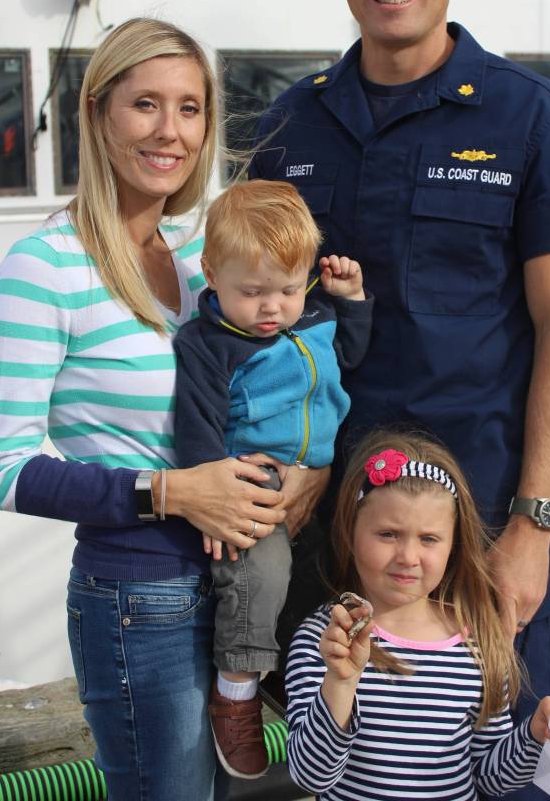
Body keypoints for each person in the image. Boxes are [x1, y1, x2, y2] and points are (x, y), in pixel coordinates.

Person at [250, 0, 550, 798]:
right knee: (352, 772)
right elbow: (258, 328)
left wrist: (535, 522)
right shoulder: (291, 129)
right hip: (339, 536)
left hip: (491, 522)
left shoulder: (530, 118)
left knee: (527, 762)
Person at [0, 18, 291, 801]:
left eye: (189, 108)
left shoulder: (203, 252)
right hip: (141, 599)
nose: (169, 131)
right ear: (98, 112)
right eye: (145, 104)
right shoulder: (44, 266)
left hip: (241, 587)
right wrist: (170, 492)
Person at [173, 179, 373, 779]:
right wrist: (211, 500)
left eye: (287, 289)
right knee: (259, 573)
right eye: (252, 292)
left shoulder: (314, 312)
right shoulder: (208, 345)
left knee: (341, 571)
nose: (271, 309)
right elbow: (198, 426)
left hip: (321, 477)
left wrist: (354, 298)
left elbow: (353, 358)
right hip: (250, 483)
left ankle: (307, 682)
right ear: (211, 272)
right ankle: (235, 696)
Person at [285, 429, 550, 801]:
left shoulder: (479, 644)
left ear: (453, 546)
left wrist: (534, 734)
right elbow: (310, 776)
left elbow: (491, 778)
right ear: (350, 531)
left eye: (429, 539)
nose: (408, 556)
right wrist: (339, 683)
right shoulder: (324, 641)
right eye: (388, 534)